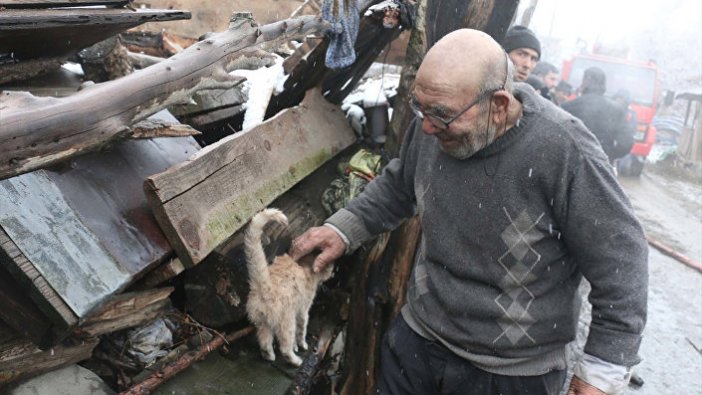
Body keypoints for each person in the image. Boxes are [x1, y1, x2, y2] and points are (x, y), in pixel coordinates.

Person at [291, 29, 647, 395]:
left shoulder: (563, 150)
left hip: (511, 374)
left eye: (442, 115)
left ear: (499, 105)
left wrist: (602, 371)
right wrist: (344, 229)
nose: (427, 126)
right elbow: (399, 185)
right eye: (421, 108)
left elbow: (621, 262)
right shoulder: (432, 124)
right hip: (417, 344)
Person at [562, 67, 635, 163]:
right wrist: (609, 155)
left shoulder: (567, 107)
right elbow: (627, 143)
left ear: (584, 82)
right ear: (604, 84)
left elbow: (558, 138)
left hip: (572, 163)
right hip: (601, 165)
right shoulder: (617, 110)